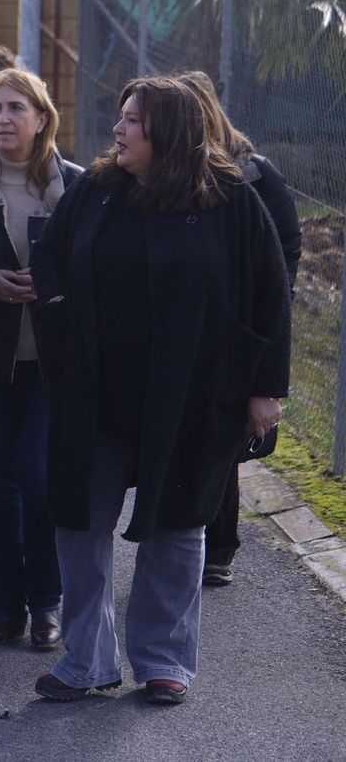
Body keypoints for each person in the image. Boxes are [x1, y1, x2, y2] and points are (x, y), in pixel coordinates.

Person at [30, 76, 289, 705]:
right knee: (80, 523)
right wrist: (62, 332)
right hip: (97, 396)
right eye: (119, 119)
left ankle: (165, 660)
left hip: (192, 397)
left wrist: (263, 390)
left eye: (132, 122)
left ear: (168, 131)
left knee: (178, 525)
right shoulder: (97, 190)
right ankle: (85, 660)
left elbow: (269, 293)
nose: (117, 131)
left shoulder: (231, 200)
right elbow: (52, 259)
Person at [0, 69, 80, 652]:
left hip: (51, 367)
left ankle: (46, 604)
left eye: (15, 108)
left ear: (42, 117)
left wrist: (55, 285)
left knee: (39, 479)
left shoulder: (77, 188)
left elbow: (98, 271)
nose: (3, 119)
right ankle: (4, 608)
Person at [177, 70, 301, 588]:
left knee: (222, 443)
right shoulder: (167, 173)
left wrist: (271, 307)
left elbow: (286, 246)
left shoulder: (252, 173)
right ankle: (183, 535)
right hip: (187, 330)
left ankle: (219, 547)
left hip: (239, 330)